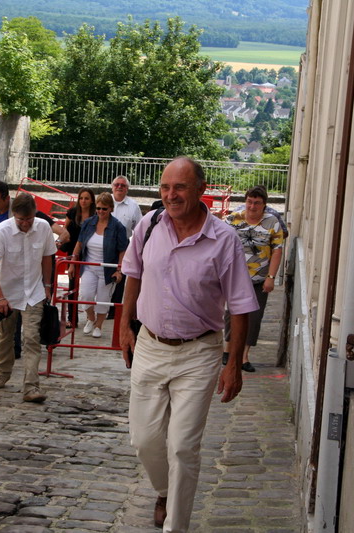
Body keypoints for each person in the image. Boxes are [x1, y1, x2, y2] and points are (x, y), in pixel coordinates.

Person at [119, 156, 258, 532]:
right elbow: (133, 274)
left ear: (201, 189)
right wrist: (125, 325)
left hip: (199, 353)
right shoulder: (148, 226)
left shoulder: (224, 239)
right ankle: (165, 490)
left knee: (182, 446)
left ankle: (175, 526)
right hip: (149, 344)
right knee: (143, 438)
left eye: (179, 187)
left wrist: (233, 363)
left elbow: (241, 305)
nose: (171, 195)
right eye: (165, 187)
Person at [0, 181, 68, 370]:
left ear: (7, 199)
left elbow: (60, 233)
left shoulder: (30, 213)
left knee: (16, 313)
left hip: (15, 274)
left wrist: (54, 245)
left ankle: (14, 351)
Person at [0, 194, 56, 402]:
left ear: (35, 214)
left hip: (34, 292)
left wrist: (48, 286)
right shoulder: (2, 231)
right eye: (21, 220)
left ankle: (31, 386)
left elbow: (47, 258)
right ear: (14, 215)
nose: (25, 224)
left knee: (32, 338)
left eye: (29, 219)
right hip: (7, 292)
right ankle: (2, 372)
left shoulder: (43, 228)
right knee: (5, 336)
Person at [222, 185, 284, 372]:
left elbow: (277, 250)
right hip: (235, 277)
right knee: (231, 313)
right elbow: (220, 241)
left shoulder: (272, 222)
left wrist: (271, 277)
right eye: (249, 201)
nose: (252, 206)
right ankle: (228, 349)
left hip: (259, 278)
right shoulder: (234, 219)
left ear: (264, 205)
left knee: (254, 317)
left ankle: (243, 356)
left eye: (257, 203)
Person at [68, 192, 128, 338]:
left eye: (104, 209)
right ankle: (90, 318)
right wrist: (72, 263)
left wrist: (119, 270)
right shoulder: (89, 223)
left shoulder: (118, 227)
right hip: (89, 266)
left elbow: (123, 250)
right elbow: (79, 243)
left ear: (111, 209)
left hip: (108, 269)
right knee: (85, 295)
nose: (101, 212)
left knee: (103, 300)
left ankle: (99, 325)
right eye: (99, 208)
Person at [109, 175, 144, 318]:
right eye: (117, 184)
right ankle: (97, 309)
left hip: (124, 246)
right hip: (102, 244)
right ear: (112, 186)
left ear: (127, 189)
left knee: (120, 279)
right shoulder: (104, 200)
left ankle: (113, 312)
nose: (119, 187)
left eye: (123, 185)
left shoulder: (133, 206)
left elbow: (140, 228)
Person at [60, 187, 96, 327]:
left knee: (90, 286)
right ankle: (72, 319)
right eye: (81, 198)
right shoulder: (72, 212)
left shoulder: (95, 215)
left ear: (92, 200)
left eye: (86, 198)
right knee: (71, 286)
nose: (83, 201)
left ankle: (90, 317)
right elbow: (64, 230)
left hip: (90, 253)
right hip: (73, 252)